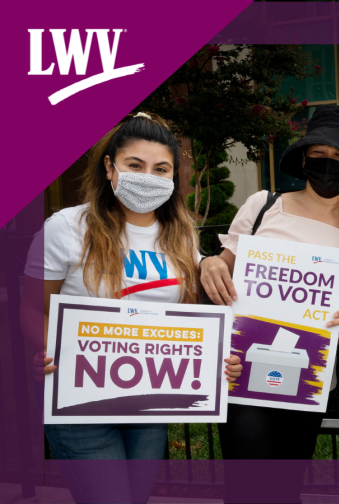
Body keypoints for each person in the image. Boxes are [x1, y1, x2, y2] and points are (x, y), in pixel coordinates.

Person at [22, 112, 243, 504]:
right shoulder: (65, 228)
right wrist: (50, 351)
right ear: (110, 167)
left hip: (149, 403)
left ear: (173, 177)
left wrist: (215, 360)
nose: (148, 177)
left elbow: (188, 321)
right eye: (135, 165)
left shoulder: (181, 235)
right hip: (80, 399)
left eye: (161, 169)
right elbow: (30, 309)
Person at [199, 104, 339, 503]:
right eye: (320, 154)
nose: (329, 163)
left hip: (306, 381)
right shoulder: (263, 205)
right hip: (241, 372)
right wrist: (212, 263)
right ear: (304, 159)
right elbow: (223, 270)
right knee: (245, 488)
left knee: (286, 489)